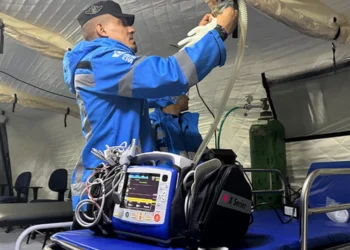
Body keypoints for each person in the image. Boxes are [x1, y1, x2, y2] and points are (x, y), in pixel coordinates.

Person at [62, 0, 238, 210]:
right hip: (107, 190)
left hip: (119, 185)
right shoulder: (101, 61)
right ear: (102, 30)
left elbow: (168, 92)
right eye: (123, 23)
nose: (132, 28)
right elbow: (169, 75)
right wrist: (219, 32)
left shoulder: (111, 72)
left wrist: (202, 36)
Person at [149, 95, 204, 160]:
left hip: (195, 169)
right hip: (168, 170)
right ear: (174, 96)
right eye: (185, 94)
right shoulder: (153, 123)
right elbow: (147, 159)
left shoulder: (189, 123)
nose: (188, 98)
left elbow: (203, 153)